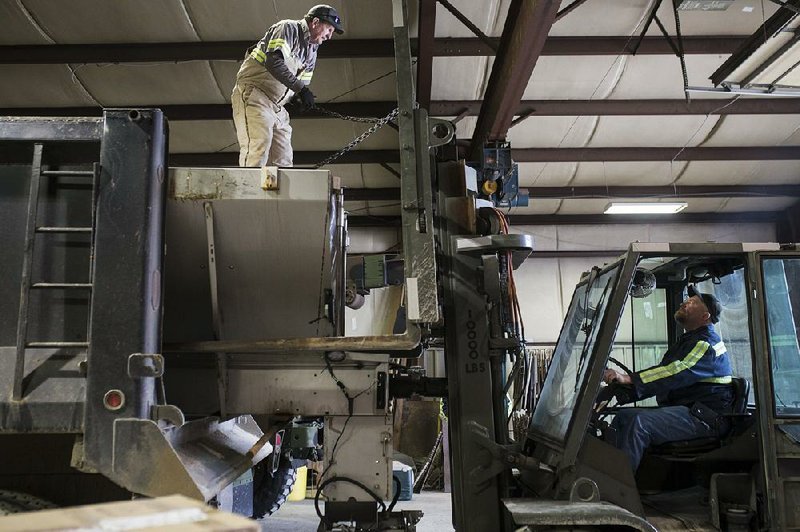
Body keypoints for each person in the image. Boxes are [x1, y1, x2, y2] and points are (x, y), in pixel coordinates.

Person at [602, 286, 733, 471]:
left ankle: (618, 486)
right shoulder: (689, 341)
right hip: (687, 410)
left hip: (703, 418)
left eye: (694, 302)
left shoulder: (705, 344)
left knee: (638, 423)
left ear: (705, 316)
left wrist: (630, 379)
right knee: (623, 418)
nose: (685, 302)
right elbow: (664, 374)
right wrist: (626, 389)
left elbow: (675, 372)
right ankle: (611, 476)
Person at [231, 5, 344, 168]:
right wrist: (301, 90)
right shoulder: (287, 28)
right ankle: (249, 191)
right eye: (329, 29)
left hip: (278, 107)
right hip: (255, 95)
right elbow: (273, 62)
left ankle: (279, 193)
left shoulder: (312, 51)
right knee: (258, 146)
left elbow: (301, 84)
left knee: (283, 160)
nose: (329, 36)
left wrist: (298, 99)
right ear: (316, 22)